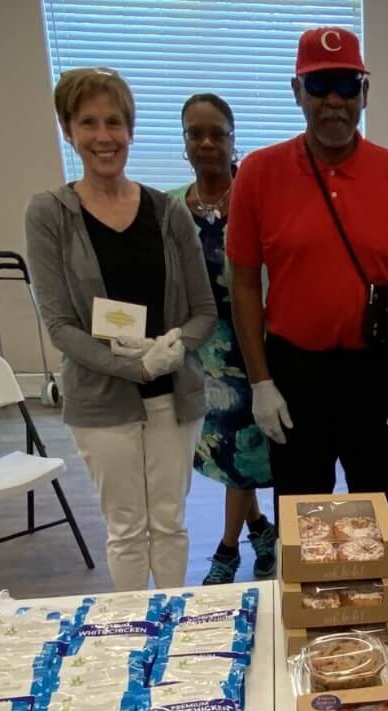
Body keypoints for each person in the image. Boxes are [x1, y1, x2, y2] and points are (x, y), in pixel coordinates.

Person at [226, 27, 388, 535]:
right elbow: (245, 284)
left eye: (347, 84)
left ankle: (379, 609)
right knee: (303, 524)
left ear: (365, 90)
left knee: (381, 518)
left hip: (376, 372)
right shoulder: (257, 173)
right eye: (320, 87)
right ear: (297, 91)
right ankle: (307, 612)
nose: (335, 101)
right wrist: (261, 382)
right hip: (296, 375)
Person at [26, 68, 217, 591]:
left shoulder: (168, 212)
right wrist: (132, 365)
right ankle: (133, 633)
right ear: (69, 130)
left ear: (130, 129)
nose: (103, 136)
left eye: (114, 121)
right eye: (88, 122)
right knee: (127, 527)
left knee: (171, 522)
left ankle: (175, 622)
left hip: (172, 396)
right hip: (100, 400)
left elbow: (204, 310)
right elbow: (60, 325)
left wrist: (176, 349)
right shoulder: (49, 215)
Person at [167, 93, 277, 585]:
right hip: (203, 354)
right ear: (186, 142)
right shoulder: (170, 209)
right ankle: (258, 529)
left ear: (235, 142)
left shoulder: (257, 201)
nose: (207, 142)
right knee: (233, 455)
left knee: (244, 452)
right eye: (196, 133)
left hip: (257, 346)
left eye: (218, 133)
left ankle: (228, 548)